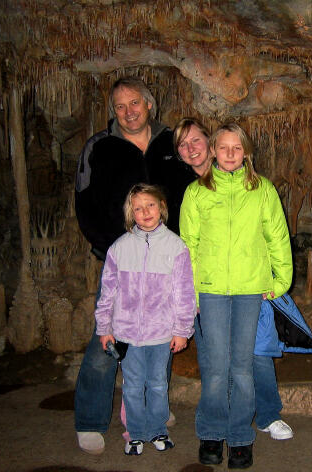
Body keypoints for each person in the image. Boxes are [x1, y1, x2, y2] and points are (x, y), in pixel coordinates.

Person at [74, 77, 189, 454]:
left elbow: (195, 192)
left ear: (149, 105)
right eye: (120, 106)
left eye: (135, 103)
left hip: (165, 262)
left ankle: (153, 413)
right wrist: (110, 250)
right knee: (106, 340)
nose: (128, 112)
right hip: (121, 262)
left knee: (160, 337)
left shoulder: (171, 143)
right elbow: (84, 203)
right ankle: (91, 419)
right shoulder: (100, 147)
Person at [179, 123, 293, 469]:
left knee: (242, 367)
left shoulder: (263, 190)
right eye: (223, 148)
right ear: (213, 150)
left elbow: (277, 235)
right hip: (210, 290)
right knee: (214, 368)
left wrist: (280, 279)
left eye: (237, 148)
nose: (230, 154)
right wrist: (190, 291)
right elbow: (188, 245)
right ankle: (212, 433)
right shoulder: (197, 192)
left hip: (248, 289)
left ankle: (241, 438)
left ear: (247, 152)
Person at [94, 184, 196, 456]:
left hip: (161, 333)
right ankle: (136, 433)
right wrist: (104, 327)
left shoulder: (176, 247)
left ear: (161, 207)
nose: (145, 212)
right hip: (127, 333)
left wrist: (182, 330)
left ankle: (158, 429)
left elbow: (184, 293)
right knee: (133, 384)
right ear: (131, 214)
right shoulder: (120, 247)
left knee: (159, 383)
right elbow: (108, 291)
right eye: (137, 208)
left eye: (150, 205)